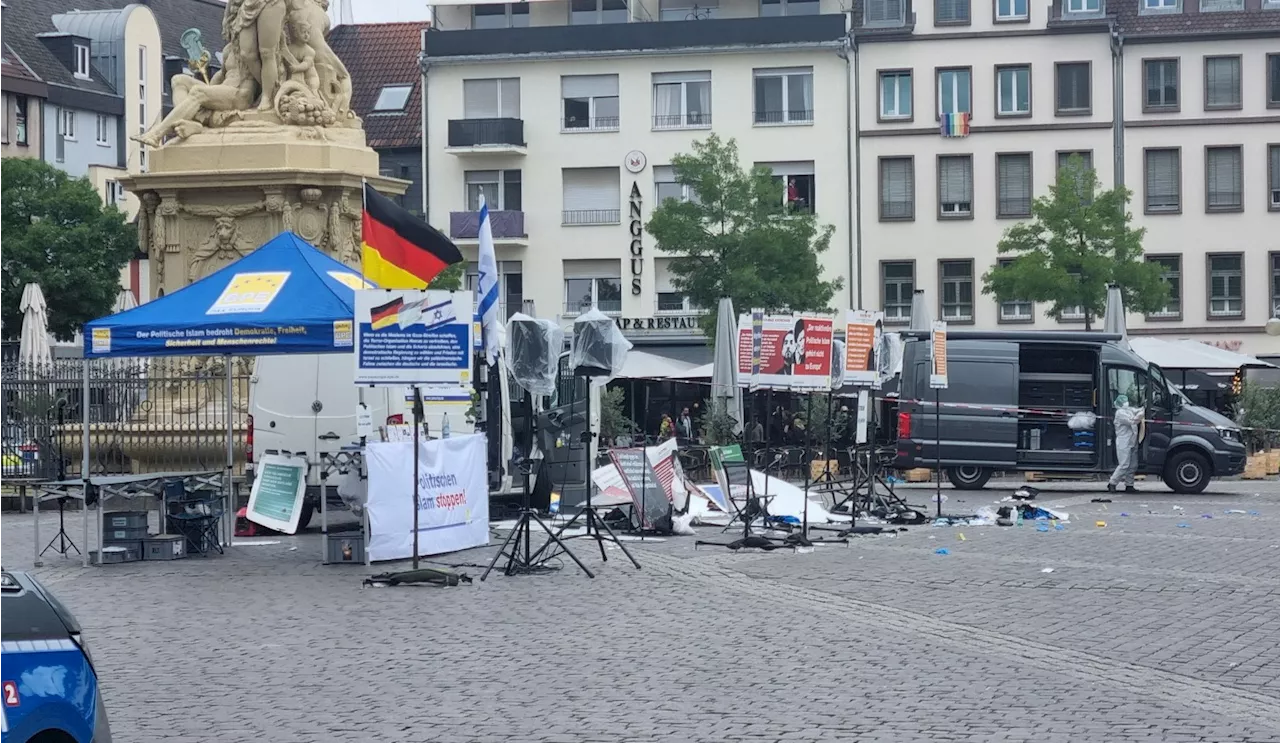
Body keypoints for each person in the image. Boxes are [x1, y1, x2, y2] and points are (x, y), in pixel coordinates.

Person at [1108, 394, 1144, 493]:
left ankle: (1129, 485)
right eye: (1124, 401)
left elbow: (1136, 410)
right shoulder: (1119, 413)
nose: (1126, 402)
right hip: (1123, 442)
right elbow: (1133, 421)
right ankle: (1112, 483)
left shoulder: (1128, 410)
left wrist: (1143, 409)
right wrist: (1140, 415)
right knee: (1124, 464)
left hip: (1132, 441)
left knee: (1133, 465)